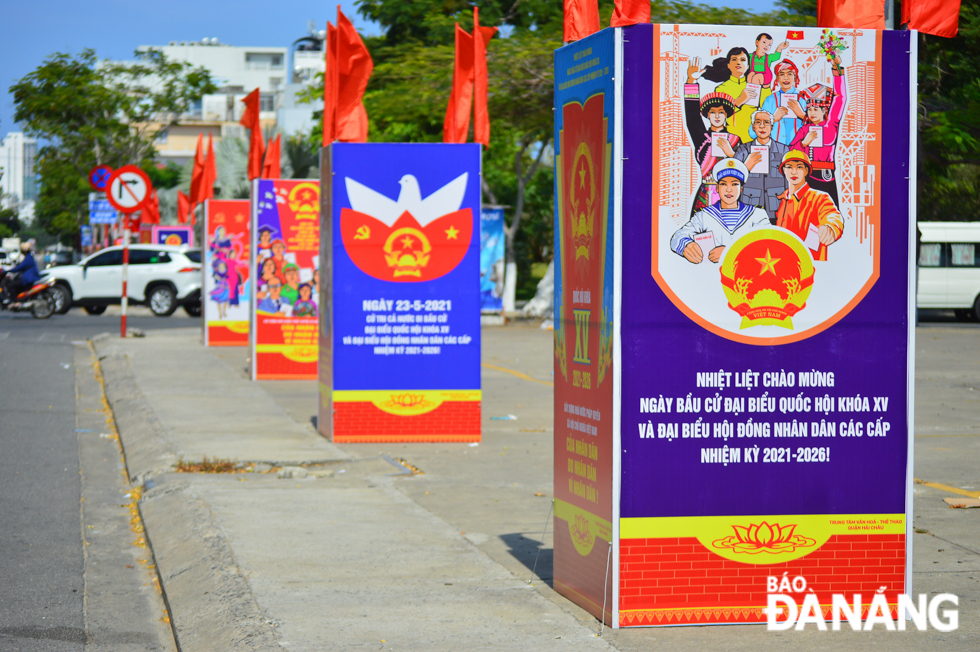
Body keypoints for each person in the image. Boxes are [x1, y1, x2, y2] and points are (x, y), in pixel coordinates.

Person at [670, 158, 770, 264]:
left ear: (741, 189)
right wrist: (686, 245)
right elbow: (677, 237)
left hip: (747, 276)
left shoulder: (757, 215)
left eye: (734, 184)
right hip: (712, 276)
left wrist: (730, 251)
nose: (728, 189)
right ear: (717, 188)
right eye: (723, 184)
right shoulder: (704, 215)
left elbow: (769, 243)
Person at [684, 59, 742, 215]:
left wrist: (731, 154)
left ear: (726, 115)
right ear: (708, 115)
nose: (717, 116)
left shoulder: (735, 140)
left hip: (730, 194)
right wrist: (691, 81)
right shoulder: (702, 138)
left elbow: (744, 167)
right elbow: (692, 117)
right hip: (706, 194)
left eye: (721, 112)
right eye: (713, 113)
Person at [789, 55, 847, 206]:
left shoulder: (831, 124)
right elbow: (791, 150)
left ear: (824, 111)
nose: (812, 113)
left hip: (825, 175)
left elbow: (840, 97)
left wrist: (837, 70)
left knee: (830, 212)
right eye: (809, 109)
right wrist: (803, 143)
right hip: (806, 176)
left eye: (816, 109)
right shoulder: (805, 129)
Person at [774, 150, 843, 261]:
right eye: (789, 167)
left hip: (811, 265)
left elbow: (832, 216)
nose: (794, 172)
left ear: (806, 171)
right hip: (783, 263)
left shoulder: (820, 197)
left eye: (799, 167)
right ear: (783, 170)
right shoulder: (782, 199)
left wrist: (830, 228)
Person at [699, 47, 766, 142]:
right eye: (734, 59)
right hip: (730, 139)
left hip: (754, 137)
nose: (738, 62)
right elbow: (719, 115)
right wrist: (739, 101)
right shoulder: (721, 89)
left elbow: (767, 109)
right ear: (728, 65)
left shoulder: (755, 85)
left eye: (742, 60)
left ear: (748, 66)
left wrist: (765, 86)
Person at [733, 109, 789, 223]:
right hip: (749, 207)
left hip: (776, 208)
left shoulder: (784, 150)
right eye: (758, 122)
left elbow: (789, 180)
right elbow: (734, 179)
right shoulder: (743, 150)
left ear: (772, 127)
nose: (762, 126)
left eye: (766, 122)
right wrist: (746, 167)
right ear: (753, 127)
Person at [759, 60, 807, 146]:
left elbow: (817, 126)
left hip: (799, 148)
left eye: (789, 74)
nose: (786, 78)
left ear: (795, 77)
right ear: (777, 78)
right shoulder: (769, 100)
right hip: (774, 150)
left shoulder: (803, 98)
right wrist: (773, 119)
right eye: (782, 74)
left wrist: (802, 115)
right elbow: (753, 131)